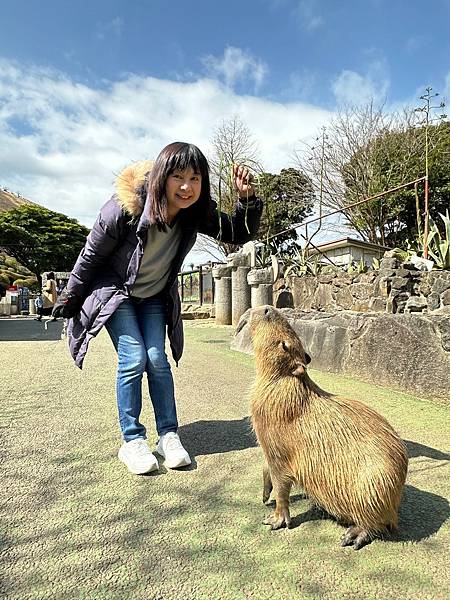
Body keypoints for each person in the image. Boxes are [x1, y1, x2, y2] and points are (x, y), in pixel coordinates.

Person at [53, 142, 263, 475]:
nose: (186, 186)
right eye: (177, 176)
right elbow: (90, 256)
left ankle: (169, 435)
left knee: (157, 360)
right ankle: (133, 441)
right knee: (134, 357)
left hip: (152, 294)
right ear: (161, 177)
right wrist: (69, 298)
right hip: (116, 292)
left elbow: (238, 232)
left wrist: (247, 201)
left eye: (195, 178)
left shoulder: (196, 211)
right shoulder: (124, 208)